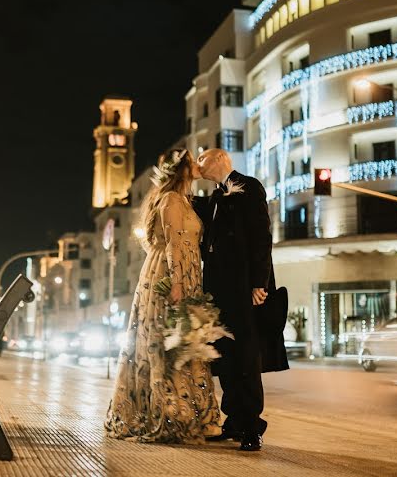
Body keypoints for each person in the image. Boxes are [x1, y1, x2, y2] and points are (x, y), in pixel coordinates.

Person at [105, 148, 222, 443]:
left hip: (185, 274)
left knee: (184, 345)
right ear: (182, 169)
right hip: (172, 277)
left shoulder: (184, 199)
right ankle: (168, 412)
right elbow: (170, 244)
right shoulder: (170, 199)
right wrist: (176, 283)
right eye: (192, 160)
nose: (197, 164)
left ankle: (184, 412)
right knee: (166, 344)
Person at [194, 148, 288, 452]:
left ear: (220, 159)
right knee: (226, 355)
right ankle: (233, 420)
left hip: (244, 288)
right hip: (218, 290)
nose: (199, 165)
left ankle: (251, 427)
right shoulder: (214, 198)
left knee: (246, 356)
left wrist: (259, 282)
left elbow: (262, 236)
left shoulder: (248, 186)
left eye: (202, 160)